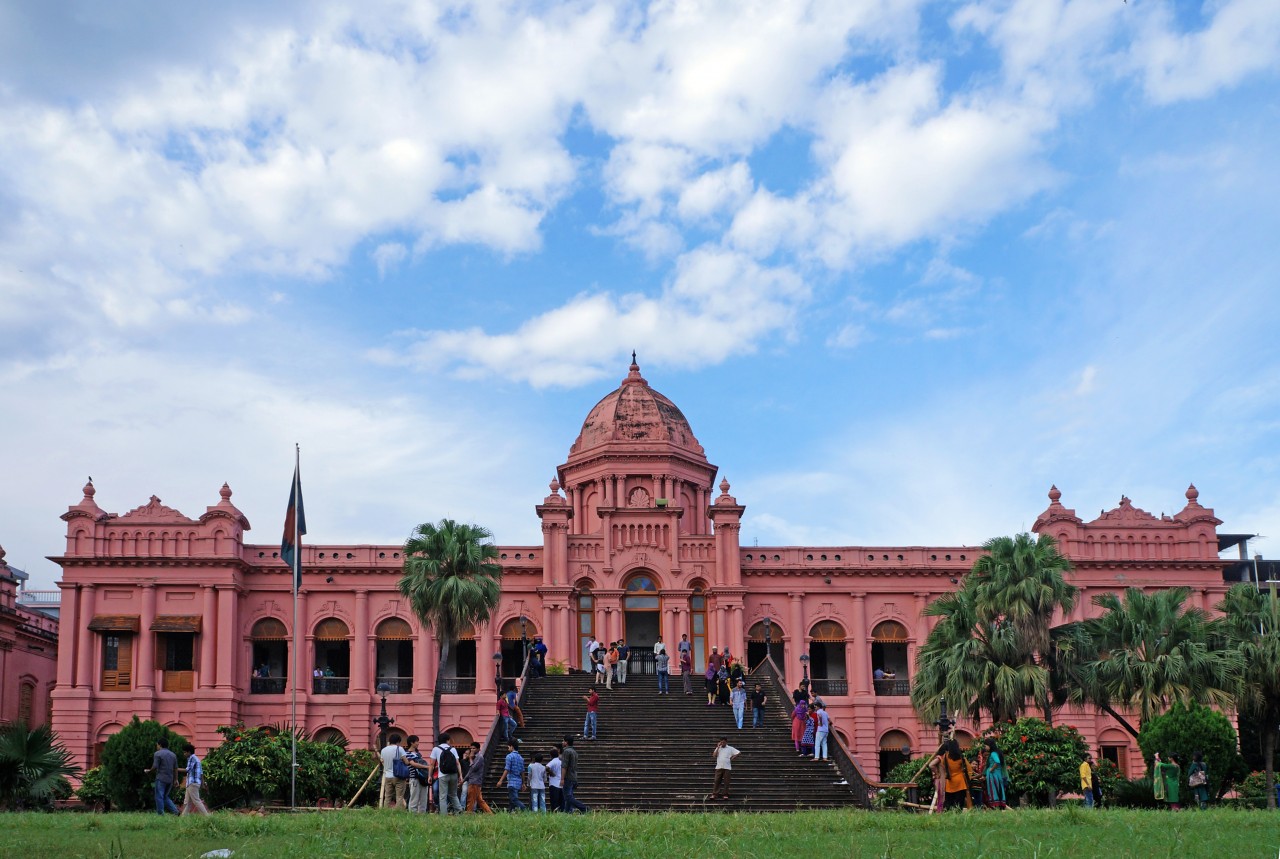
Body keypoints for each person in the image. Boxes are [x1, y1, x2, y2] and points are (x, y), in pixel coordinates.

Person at [144, 737, 180, 816]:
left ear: (160, 745)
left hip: (161, 778)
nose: (156, 747)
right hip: (170, 779)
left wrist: (149, 771)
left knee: (159, 796)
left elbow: (155, 766)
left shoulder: (157, 754)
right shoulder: (173, 755)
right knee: (165, 796)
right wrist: (176, 779)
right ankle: (175, 811)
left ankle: (160, 814)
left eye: (157, 745)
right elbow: (176, 768)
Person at [431, 735, 464, 816]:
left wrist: (429, 775)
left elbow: (431, 764)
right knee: (453, 794)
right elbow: (457, 763)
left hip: (442, 775)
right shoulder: (453, 749)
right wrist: (460, 776)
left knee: (442, 796)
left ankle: (443, 814)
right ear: (448, 740)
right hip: (453, 774)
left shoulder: (436, 749)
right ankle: (459, 811)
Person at [176, 742, 209, 816]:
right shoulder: (196, 759)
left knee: (196, 800)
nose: (184, 754)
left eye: (185, 752)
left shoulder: (192, 758)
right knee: (187, 802)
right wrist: (202, 784)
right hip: (192, 783)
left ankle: (207, 816)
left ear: (189, 752)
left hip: (192, 783)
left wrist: (175, 769)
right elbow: (201, 773)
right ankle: (183, 818)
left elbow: (188, 770)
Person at [938, 739, 971, 811]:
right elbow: (969, 769)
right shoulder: (961, 757)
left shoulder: (946, 757)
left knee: (949, 802)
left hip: (950, 782)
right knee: (959, 803)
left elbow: (942, 767)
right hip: (960, 782)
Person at [378, 734, 409, 808]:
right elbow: (406, 762)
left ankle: (385, 811)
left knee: (387, 796)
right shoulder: (399, 749)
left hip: (387, 776)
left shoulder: (383, 750)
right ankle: (398, 812)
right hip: (398, 776)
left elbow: (383, 761)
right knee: (399, 796)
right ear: (398, 741)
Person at [560, 735, 589, 813]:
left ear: (566, 742)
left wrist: (562, 778)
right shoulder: (574, 752)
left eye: (563, 741)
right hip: (573, 776)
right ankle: (567, 812)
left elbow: (564, 766)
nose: (562, 742)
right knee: (569, 796)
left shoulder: (566, 751)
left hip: (568, 776)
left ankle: (584, 808)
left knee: (567, 797)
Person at [463, 742, 493, 813]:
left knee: (471, 799)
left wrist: (470, 759)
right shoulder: (475, 757)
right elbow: (470, 771)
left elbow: (474, 768)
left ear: (478, 749)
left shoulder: (479, 757)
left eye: (474, 748)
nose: (472, 750)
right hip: (473, 781)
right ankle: (489, 813)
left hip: (475, 782)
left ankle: (468, 814)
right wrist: (464, 780)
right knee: (479, 800)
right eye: (471, 748)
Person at [496, 739, 526, 811]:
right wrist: (523, 783)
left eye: (508, 747)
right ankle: (511, 812)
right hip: (518, 782)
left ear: (512, 747)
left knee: (514, 799)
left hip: (512, 782)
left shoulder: (509, 756)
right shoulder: (521, 758)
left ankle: (524, 808)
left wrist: (500, 780)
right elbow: (522, 771)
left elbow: (507, 769)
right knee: (512, 799)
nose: (508, 748)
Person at [405, 735, 432, 813]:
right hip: (414, 778)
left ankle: (422, 814)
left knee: (423, 798)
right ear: (411, 742)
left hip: (422, 778)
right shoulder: (407, 753)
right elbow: (412, 764)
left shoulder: (418, 753)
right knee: (414, 798)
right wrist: (426, 767)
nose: (418, 743)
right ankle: (412, 815)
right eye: (417, 741)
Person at [982, 738, 1009, 809]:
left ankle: (995, 805)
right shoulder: (998, 752)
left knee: (993, 789)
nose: (985, 747)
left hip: (993, 775)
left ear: (989, 745)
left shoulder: (993, 753)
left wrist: (991, 769)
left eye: (985, 746)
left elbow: (997, 762)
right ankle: (999, 805)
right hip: (997, 775)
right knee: (998, 789)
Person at [546, 746, 564, 812]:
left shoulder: (553, 761)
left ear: (550, 755)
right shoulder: (561, 762)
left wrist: (551, 773)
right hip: (560, 784)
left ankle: (554, 812)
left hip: (553, 784)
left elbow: (547, 767)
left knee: (554, 801)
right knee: (561, 801)